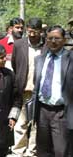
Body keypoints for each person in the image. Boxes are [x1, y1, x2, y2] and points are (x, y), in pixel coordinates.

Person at [32, 25, 71, 156]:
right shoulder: (40, 59)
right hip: (42, 111)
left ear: (64, 40)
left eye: (57, 38)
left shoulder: (70, 59)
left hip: (62, 113)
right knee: (42, 151)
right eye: (50, 38)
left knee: (61, 151)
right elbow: (36, 84)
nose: (53, 41)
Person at [10, 18, 45, 157]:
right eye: (29, 31)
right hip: (22, 90)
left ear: (40, 31)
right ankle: (18, 151)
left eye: (35, 32)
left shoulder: (46, 46)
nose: (31, 35)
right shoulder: (19, 45)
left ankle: (32, 152)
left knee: (36, 124)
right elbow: (14, 64)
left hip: (41, 92)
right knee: (21, 123)